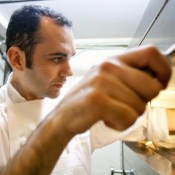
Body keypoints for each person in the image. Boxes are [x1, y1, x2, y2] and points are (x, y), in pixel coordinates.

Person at [0, 5, 172, 175]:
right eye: (57, 58)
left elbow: (146, 123)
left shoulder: (72, 100)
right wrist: (62, 123)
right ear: (17, 59)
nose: (69, 72)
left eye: (69, 57)